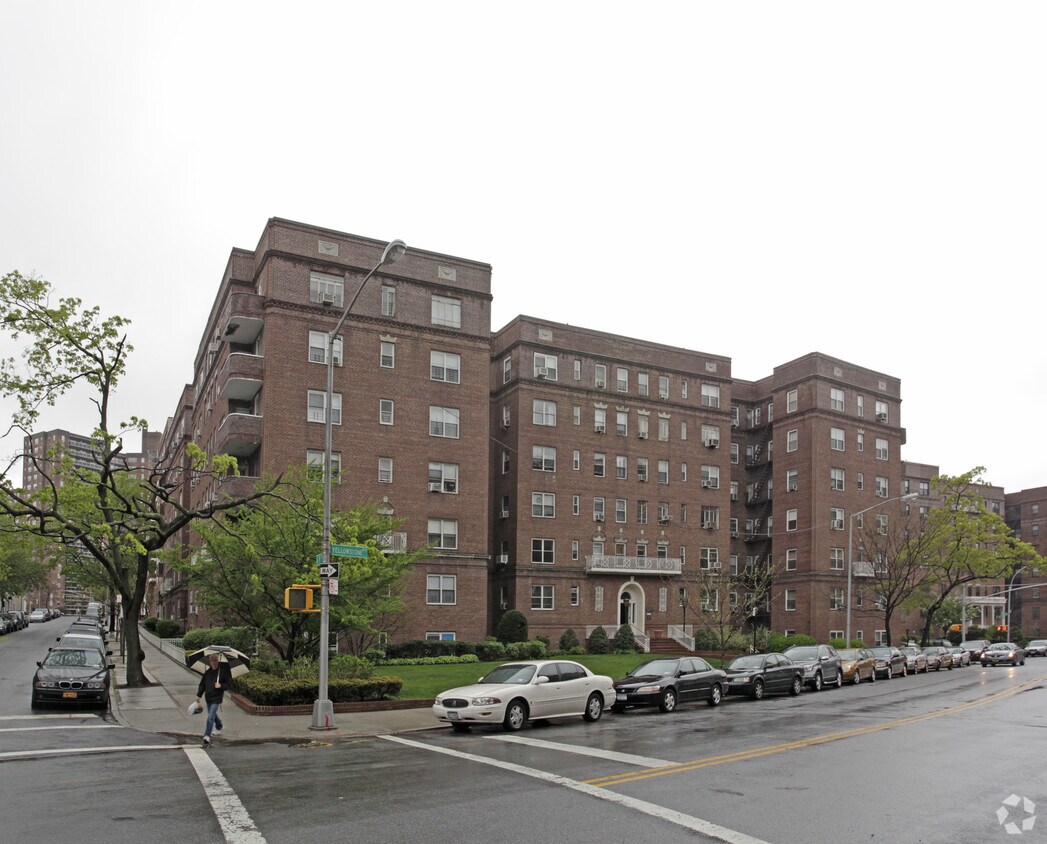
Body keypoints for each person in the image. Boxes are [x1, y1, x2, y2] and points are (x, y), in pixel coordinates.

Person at [196, 652, 232, 748]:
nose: (214, 662)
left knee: (210, 717)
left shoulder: (222, 672)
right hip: (208, 697)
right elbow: (202, 685)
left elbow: (228, 684)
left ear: (218, 661)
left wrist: (221, 686)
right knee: (212, 714)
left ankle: (207, 735)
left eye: (215, 660)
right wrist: (199, 695)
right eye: (212, 660)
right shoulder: (207, 673)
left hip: (217, 697)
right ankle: (219, 726)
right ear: (210, 662)